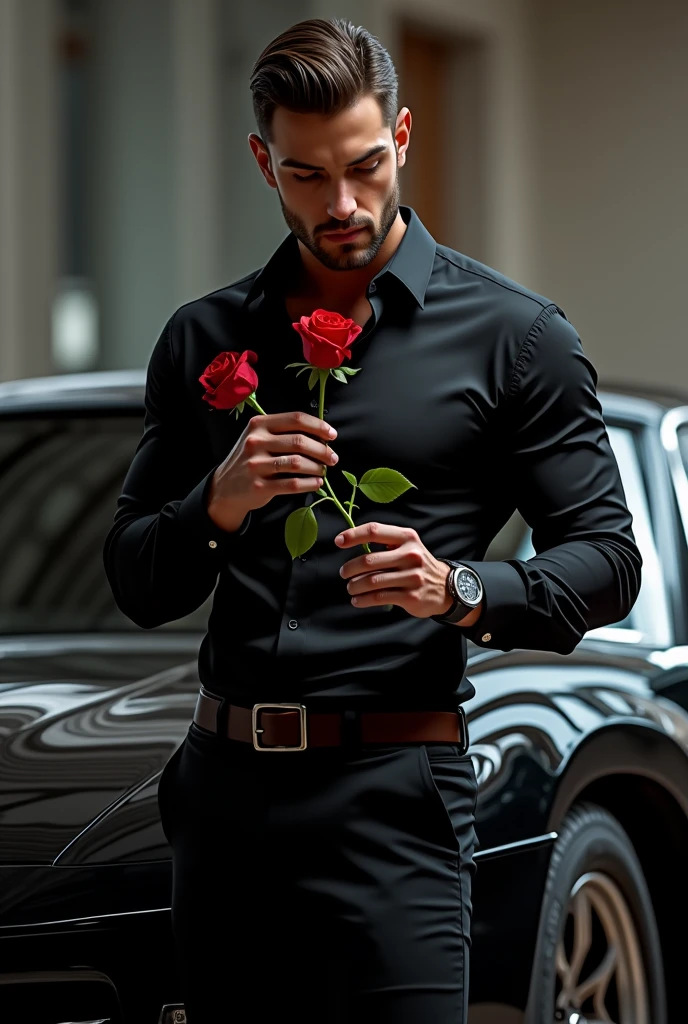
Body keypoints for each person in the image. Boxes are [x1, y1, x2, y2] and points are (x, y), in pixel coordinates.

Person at [103, 17, 641, 1024]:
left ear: (402, 136)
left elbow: (608, 561)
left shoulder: (517, 337)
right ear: (263, 161)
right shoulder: (202, 338)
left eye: (362, 165)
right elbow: (138, 579)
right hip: (223, 801)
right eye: (306, 176)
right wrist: (216, 504)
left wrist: (460, 587)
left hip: (393, 800)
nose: (342, 204)